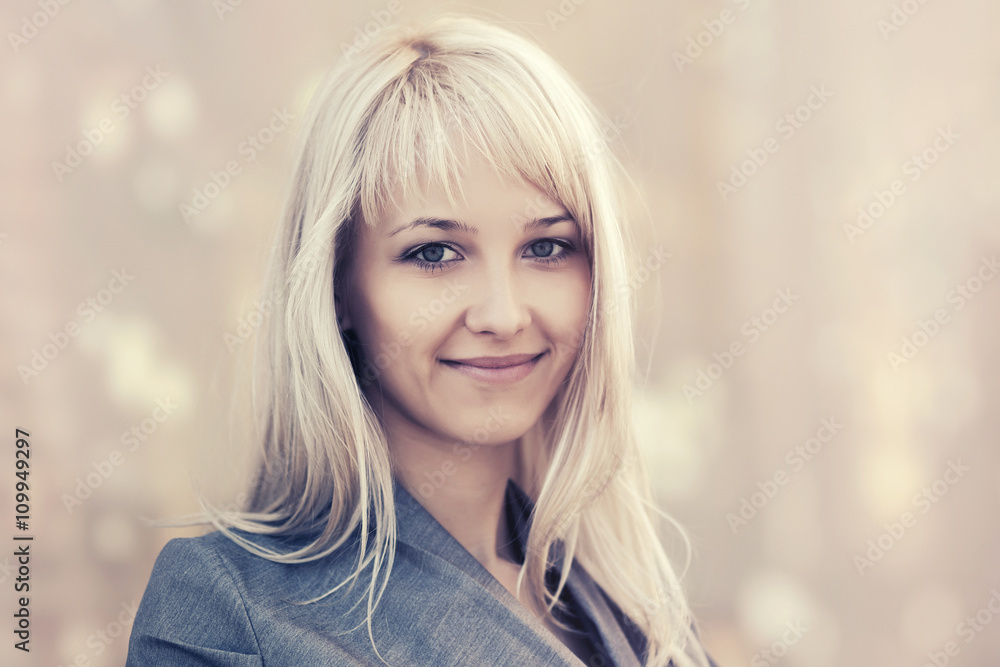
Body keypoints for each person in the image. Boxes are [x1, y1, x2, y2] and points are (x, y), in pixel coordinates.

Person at [127, 13, 718, 667]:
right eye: (434, 253)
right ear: (336, 287)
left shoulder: (638, 610)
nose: (503, 314)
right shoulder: (228, 611)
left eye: (546, 247)